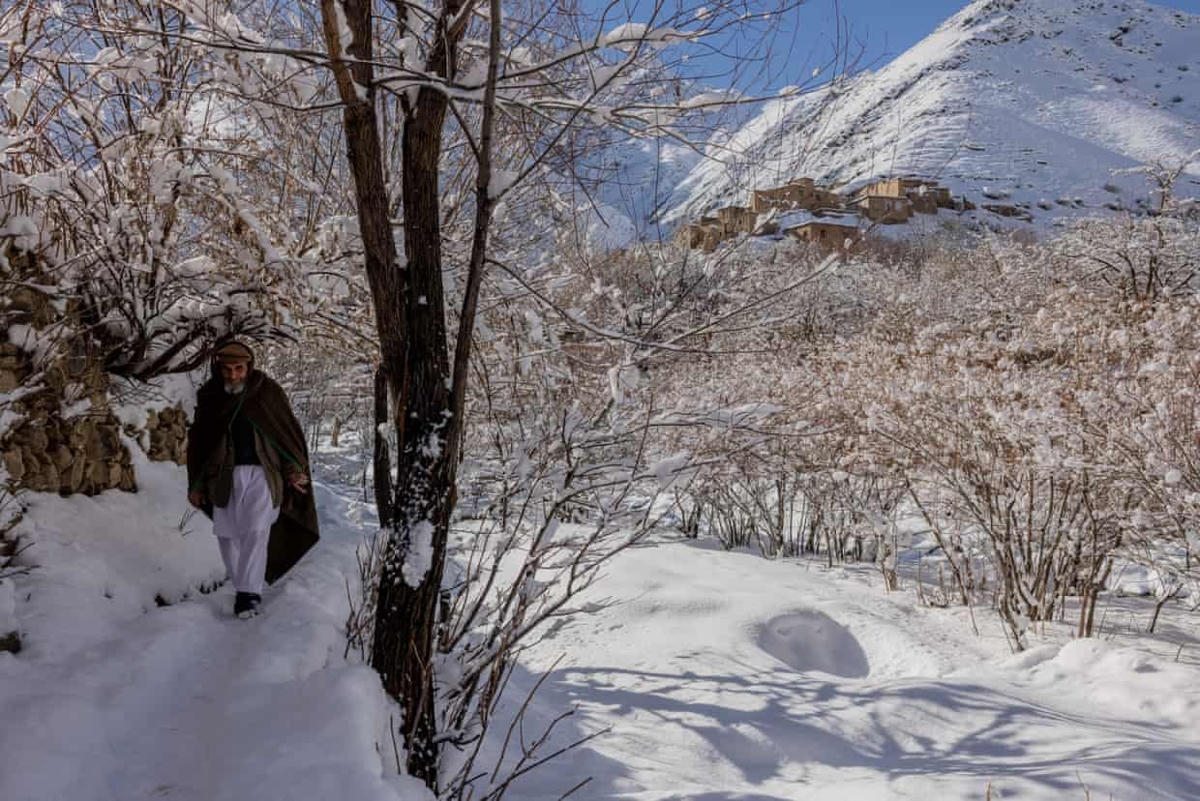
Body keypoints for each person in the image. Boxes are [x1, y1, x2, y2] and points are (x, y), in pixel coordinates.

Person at [186, 340, 320, 618]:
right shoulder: (210, 396)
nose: (233, 375)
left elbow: (287, 435)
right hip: (223, 477)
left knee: (256, 531)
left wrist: (294, 470)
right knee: (227, 535)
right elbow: (199, 444)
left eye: (239, 368)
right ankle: (243, 585)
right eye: (227, 370)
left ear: (249, 366)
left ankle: (248, 594)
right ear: (218, 369)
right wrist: (197, 484)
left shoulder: (267, 393)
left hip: (263, 474)